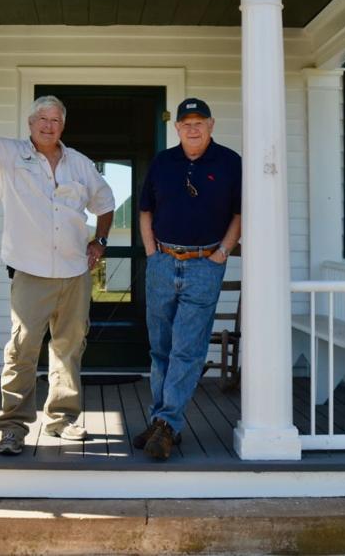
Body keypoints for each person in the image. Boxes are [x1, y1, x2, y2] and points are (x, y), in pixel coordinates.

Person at [0, 72, 115, 455]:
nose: (48, 125)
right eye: (42, 119)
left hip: (74, 271)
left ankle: (63, 420)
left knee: (69, 348)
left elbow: (105, 203)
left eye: (55, 120)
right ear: (30, 124)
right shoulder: (9, 155)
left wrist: (99, 241)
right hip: (30, 271)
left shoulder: (81, 164)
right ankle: (12, 427)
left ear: (62, 125)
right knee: (22, 350)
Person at [136, 98, 241, 461]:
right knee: (160, 348)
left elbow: (241, 213)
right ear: (177, 127)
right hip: (163, 262)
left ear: (211, 124)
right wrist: (152, 253)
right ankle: (163, 421)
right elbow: (145, 210)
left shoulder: (229, 163)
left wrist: (221, 255)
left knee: (188, 349)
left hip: (203, 265)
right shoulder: (163, 163)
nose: (192, 128)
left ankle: (166, 424)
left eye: (199, 122)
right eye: (186, 123)